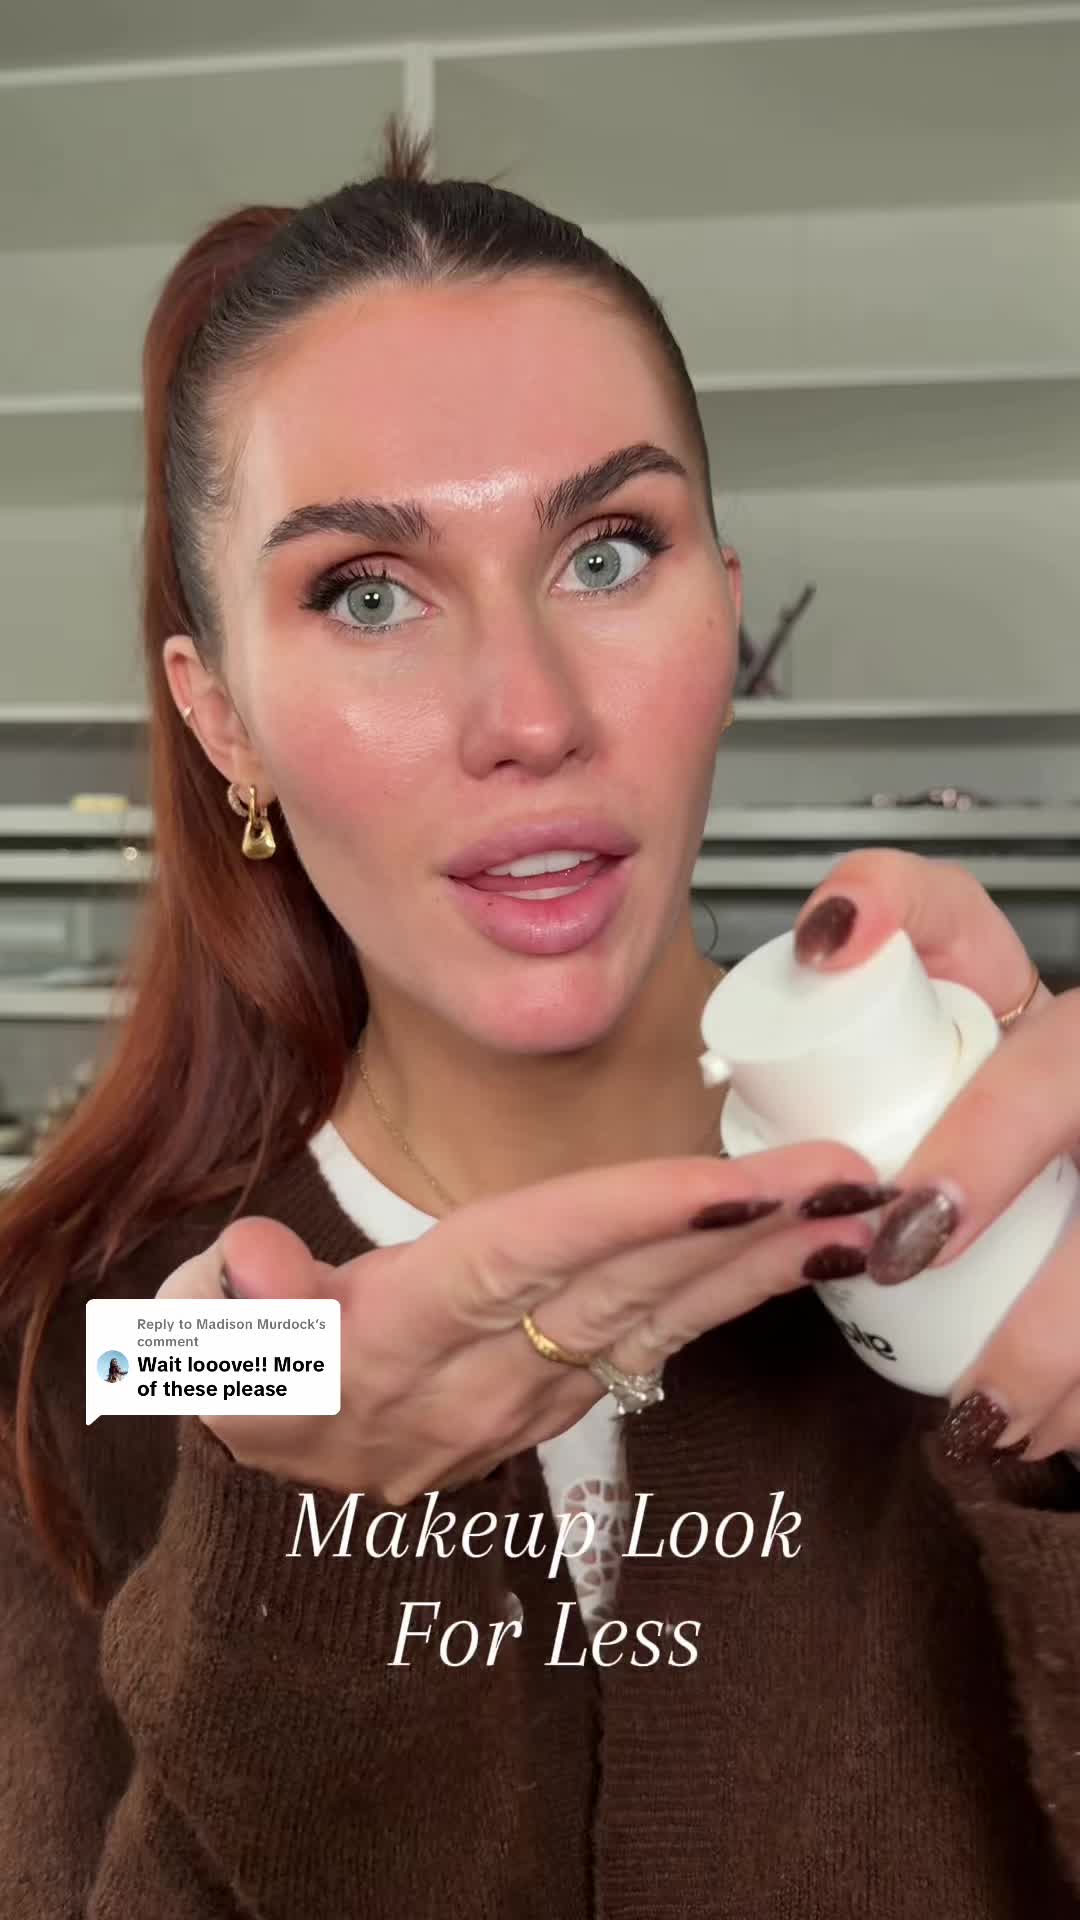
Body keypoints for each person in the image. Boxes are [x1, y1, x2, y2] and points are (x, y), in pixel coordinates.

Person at [2, 111, 1079, 1919]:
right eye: (366, 593)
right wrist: (305, 1514)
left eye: (606, 552)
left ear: (725, 619)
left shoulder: (997, 1225)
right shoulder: (79, 1357)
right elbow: (141, 1370)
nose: (529, 715)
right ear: (221, 717)